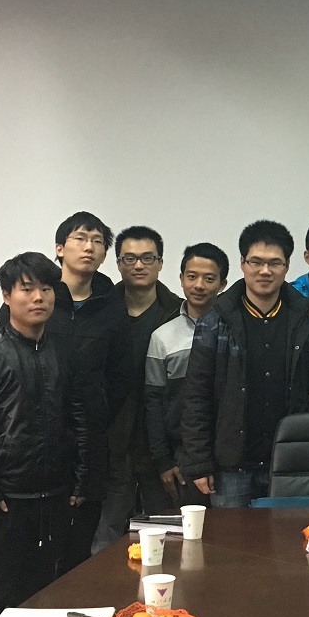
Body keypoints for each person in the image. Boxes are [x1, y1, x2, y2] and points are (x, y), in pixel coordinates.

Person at [0, 253, 89, 617]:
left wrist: (81, 480)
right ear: (6, 296)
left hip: (55, 492)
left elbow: (79, 419)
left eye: (46, 289)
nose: (38, 298)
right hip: (5, 497)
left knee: (44, 590)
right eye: (27, 289)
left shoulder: (63, 351)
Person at [0, 211, 131, 574]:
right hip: (31, 445)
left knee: (77, 546)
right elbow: (5, 363)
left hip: (88, 442)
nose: (89, 247)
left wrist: (96, 413)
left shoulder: (112, 304)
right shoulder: (35, 299)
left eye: (98, 241)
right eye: (80, 238)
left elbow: (120, 375)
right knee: (24, 557)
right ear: (59, 248)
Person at [178, 220, 309, 507]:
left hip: (289, 460)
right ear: (242, 263)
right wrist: (199, 461)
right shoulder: (215, 319)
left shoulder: (306, 319)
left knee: (289, 534)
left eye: (275, 263)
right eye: (256, 262)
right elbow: (196, 394)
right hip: (231, 464)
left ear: (287, 266)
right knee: (232, 536)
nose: (265, 271)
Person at [94, 226, 183, 552]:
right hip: (110, 441)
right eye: (129, 258)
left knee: (167, 542)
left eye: (147, 258)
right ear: (118, 263)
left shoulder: (179, 313)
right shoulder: (100, 311)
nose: (139, 265)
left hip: (161, 443)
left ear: (160, 263)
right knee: (103, 541)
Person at [145, 243, 229, 507]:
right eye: (192, 276)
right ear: (181, 279)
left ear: (223, 284)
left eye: (209, 278)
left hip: (229, 453)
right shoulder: (162, 337)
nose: (199, 285)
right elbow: (153, 403)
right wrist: (163, 460)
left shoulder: (233, 330)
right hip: (182, 455)